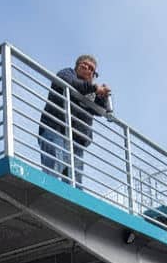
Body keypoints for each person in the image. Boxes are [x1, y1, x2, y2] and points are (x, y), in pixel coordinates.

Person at [39, 54, 112, 187]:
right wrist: (95, 88)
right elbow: (71, 83)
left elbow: (102, 110)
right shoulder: (66, 73)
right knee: (53, 170)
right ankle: (49, 194)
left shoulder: (90, 92)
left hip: (76, 142)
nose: (88, 69)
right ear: (77, 66)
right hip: (55, 130)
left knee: (74, 183)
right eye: (84, 65)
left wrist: (104, 96)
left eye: (92, 69)